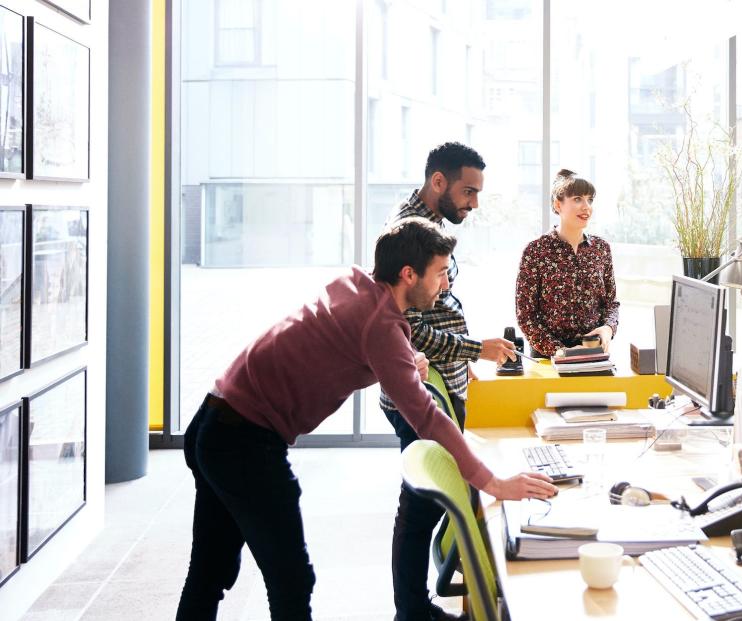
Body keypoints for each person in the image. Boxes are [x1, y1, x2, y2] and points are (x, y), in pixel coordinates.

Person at [176, 217, 557, 620]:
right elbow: (426, 417)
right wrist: (493, 482)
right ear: (409, 274)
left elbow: (346, 340)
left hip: (214, 419)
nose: (445, 284)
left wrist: (403, 362)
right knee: (290, 579)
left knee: (210, 570)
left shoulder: (359, 287)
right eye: (441, 273)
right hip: (244, 440)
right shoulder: (381, 326)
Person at [379, 142, 518, 621]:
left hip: (443, 380)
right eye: (468, 191)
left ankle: (418, 605)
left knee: (428, 502)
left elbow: (437, 309)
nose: (473, 203)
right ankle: (412, 611)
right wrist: (472, 348)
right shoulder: (408, 232)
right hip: (417, 386)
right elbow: (408, 326)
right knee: (419, 505)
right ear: (438, 182)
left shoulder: (431, 225)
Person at [515, 169, 620, 358]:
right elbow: (526, 315)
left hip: (593, 353)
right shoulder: (535, 251)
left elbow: (611, 303)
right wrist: (561, 351)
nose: (586, 206)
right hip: (549, 358)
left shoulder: (601, 248)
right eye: (578, 199)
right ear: (558, 204)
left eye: (590, 200)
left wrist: (608, 329)